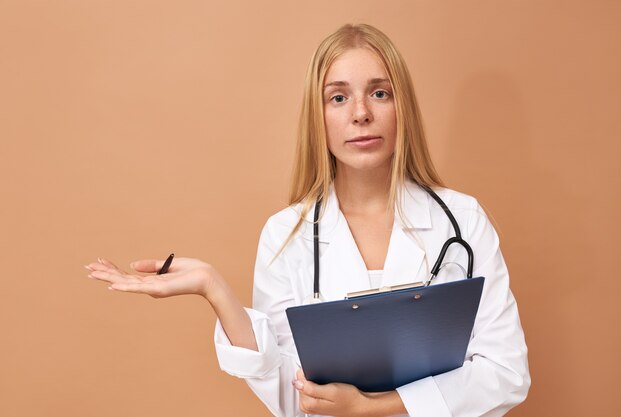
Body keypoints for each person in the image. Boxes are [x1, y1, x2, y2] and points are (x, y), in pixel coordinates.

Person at [86, 23, 530, 417]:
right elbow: (288, 397)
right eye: (338, 97)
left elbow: (506, 374)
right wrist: (212, 288)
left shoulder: (462, 219)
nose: (360, 113)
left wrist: (373, 408)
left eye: (380, 92)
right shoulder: (287, 234)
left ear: (403, 107)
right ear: (317, 118)